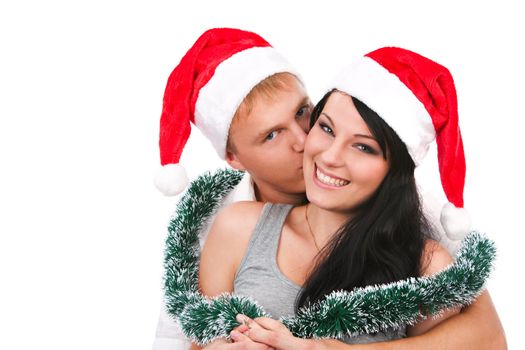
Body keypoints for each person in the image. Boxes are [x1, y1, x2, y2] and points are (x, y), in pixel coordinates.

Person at [153, 29, 505, 349]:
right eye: (272, 135)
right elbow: (186, 336)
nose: (310, 144)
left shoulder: (423, 241)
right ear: (234, 157)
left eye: (305, 113)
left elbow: (486, 337)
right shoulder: (227, 224)